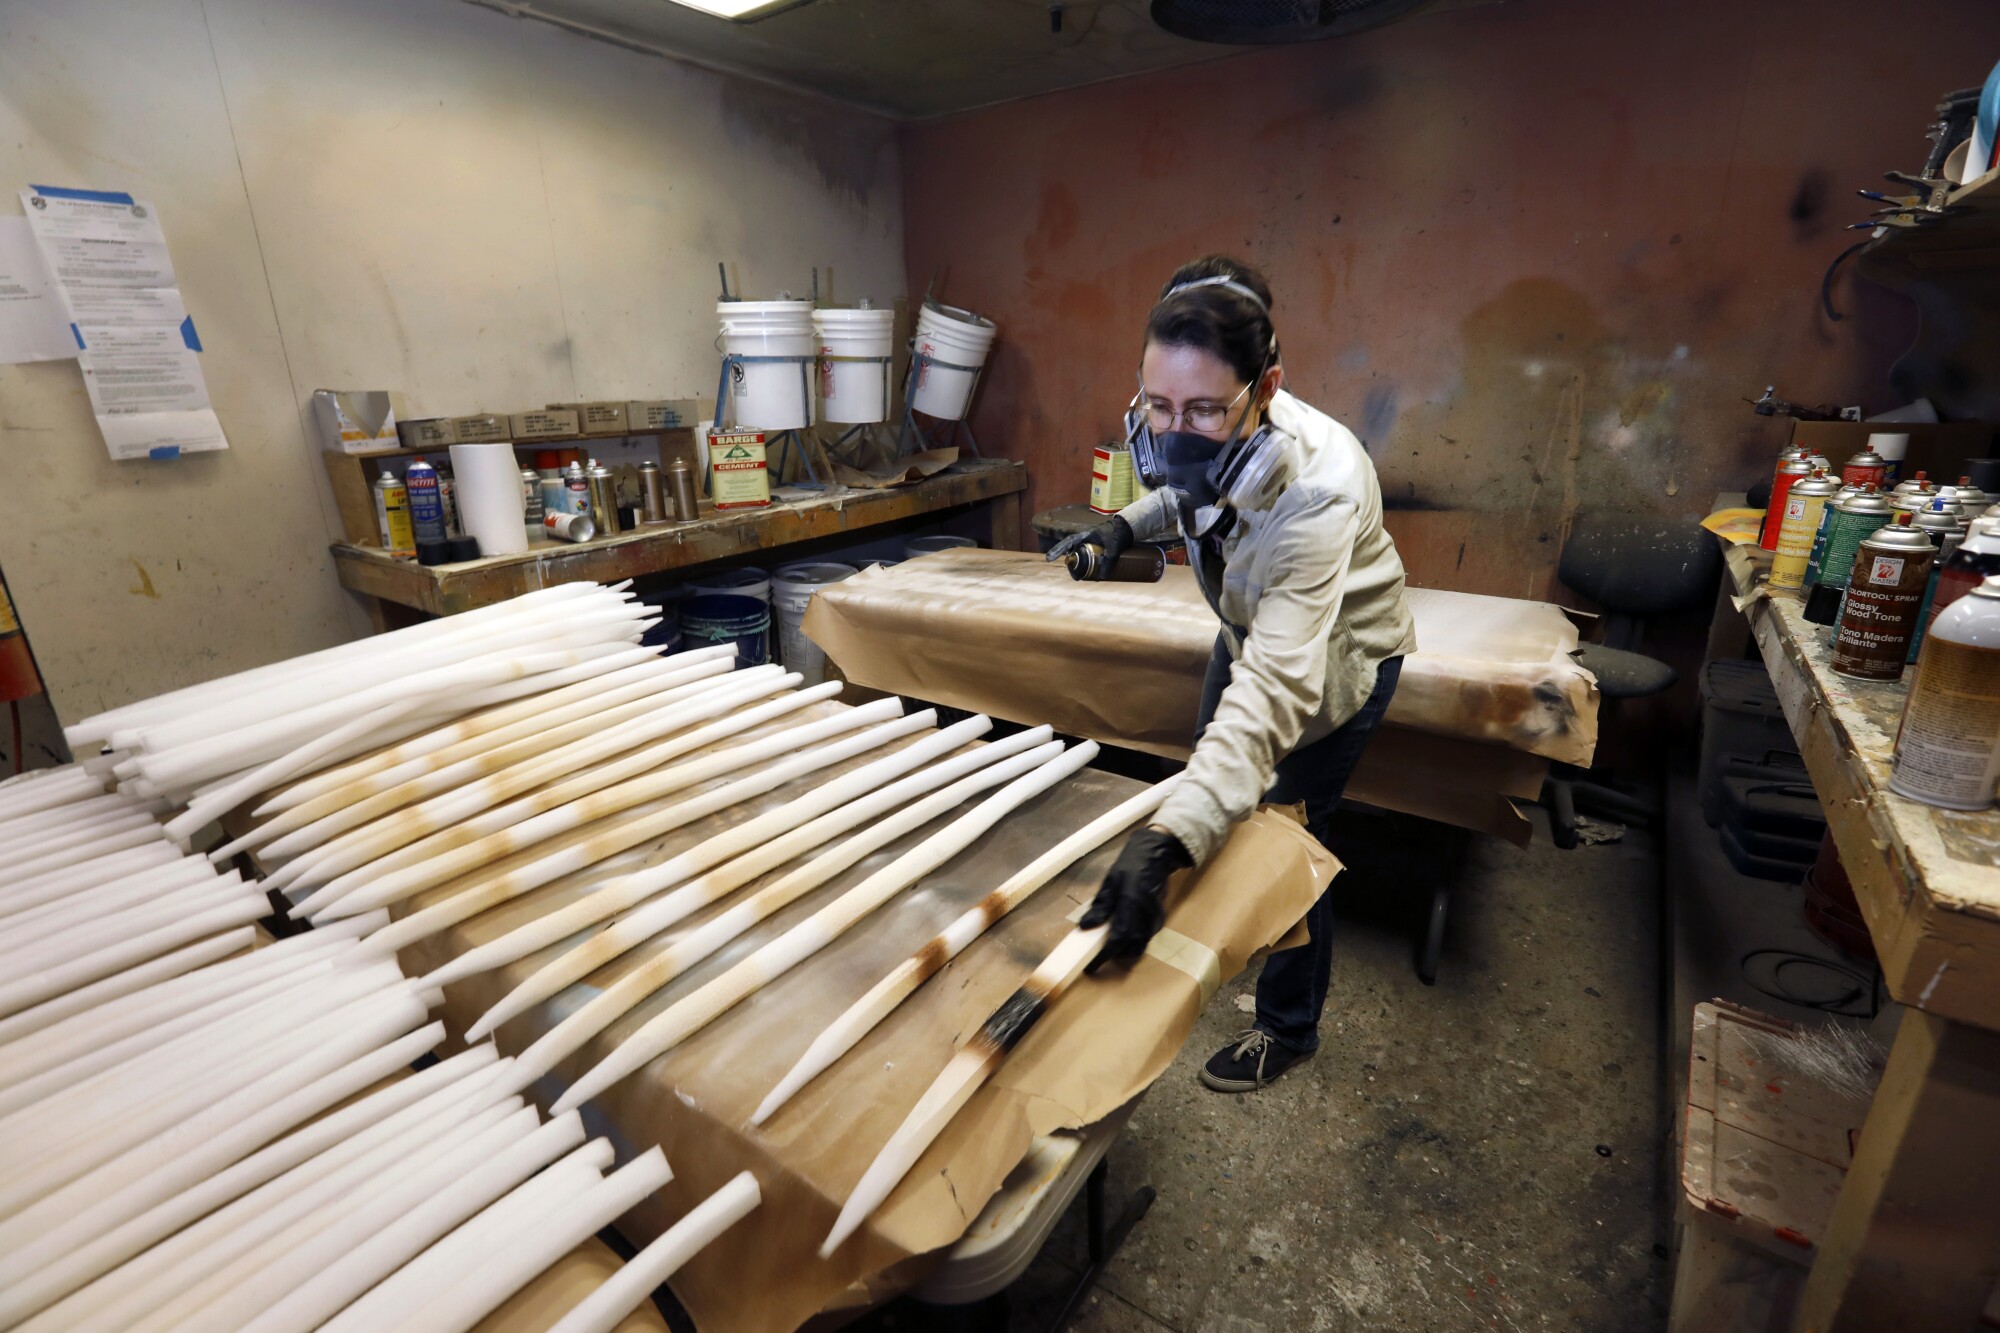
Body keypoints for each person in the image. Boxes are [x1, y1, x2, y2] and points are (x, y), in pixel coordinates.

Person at [1049, 255, 1416, 1092]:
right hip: (1249, 632)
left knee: (1286, 837)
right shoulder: (1204, 430)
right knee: (1214, 786)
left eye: (1206, 410)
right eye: (1159, 405)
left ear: (1267, 388)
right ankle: (1207, 929)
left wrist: (1164, 839)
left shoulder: (1320, 485)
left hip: (1333, 660)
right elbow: (1190, 488)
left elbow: (1281, 687)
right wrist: (1125, 528)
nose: (1174, 429)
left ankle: (1288, 1025)